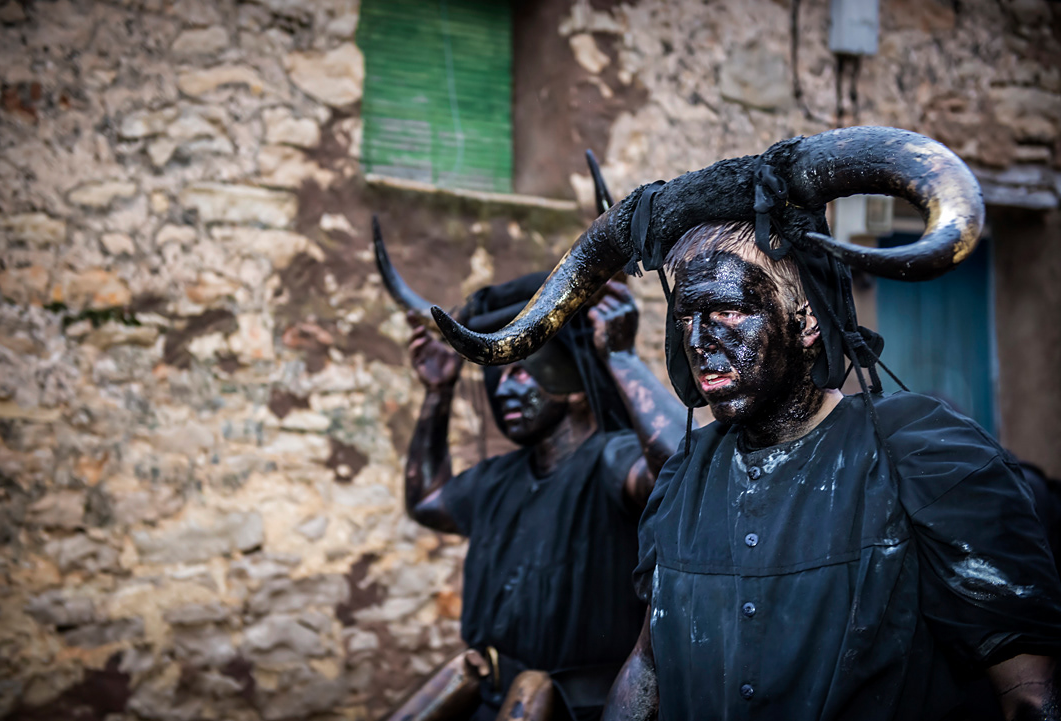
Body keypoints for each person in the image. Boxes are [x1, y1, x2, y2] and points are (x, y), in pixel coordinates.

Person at [427, 126, 1061, 720]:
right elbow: (648, 665)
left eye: (729, 310)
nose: (700, 340)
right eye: (686, 317)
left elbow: (1028, 683)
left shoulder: (919, 451)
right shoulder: (685, 479)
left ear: (806, 319)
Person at [374, 221, 687, 721]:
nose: (504, 389)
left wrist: (621, 358)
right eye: (498, 376)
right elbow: (429, 502)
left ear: (577, 383)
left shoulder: (613, 461)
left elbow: (683, 472)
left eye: (523, 370)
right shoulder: (500, 477)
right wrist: (438, 395)